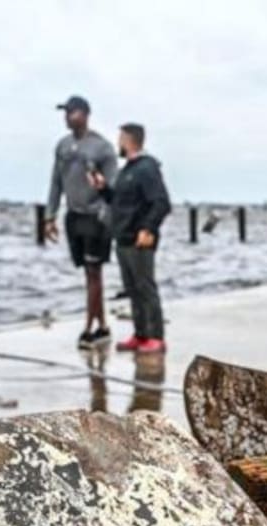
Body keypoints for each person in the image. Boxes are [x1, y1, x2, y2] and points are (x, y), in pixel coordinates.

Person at [87, 123, 171, 354]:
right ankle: (141, 334)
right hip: (123, 238)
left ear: (129, 139)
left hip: (140, 239)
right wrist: (103, 189)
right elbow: (120, 203)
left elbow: (161, 202)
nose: (118, 143)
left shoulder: (147, 168)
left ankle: (156, 336)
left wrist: (148, 229)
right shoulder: (128, 170)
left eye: (120, 138)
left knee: (145, 288)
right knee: (132, 289)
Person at [45, 95, 118, 348]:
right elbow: (56, 182)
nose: (67, 117)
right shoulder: (62, 146)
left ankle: (89, 327)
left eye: (72, 112)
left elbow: (114, 188)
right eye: (65, 112)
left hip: (96, 216)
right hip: (73, 216)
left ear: (85, 114)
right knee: (88, 274)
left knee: (94, 272)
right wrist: (49, 216)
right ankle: (103, 326)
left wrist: (103, 188)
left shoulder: (102, 147)